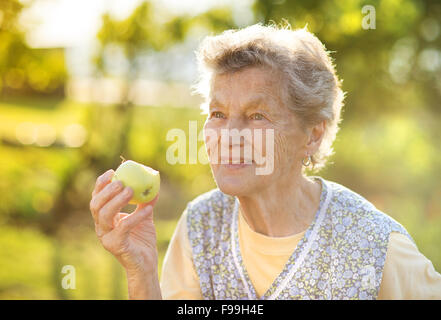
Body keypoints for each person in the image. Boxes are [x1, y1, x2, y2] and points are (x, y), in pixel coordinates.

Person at [89, 24, 441, 300]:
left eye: (257, 116)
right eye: (218, 113)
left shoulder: (377, 246)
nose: (230, 135)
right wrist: (141, 271)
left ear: (313, 134)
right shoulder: (199, 225)